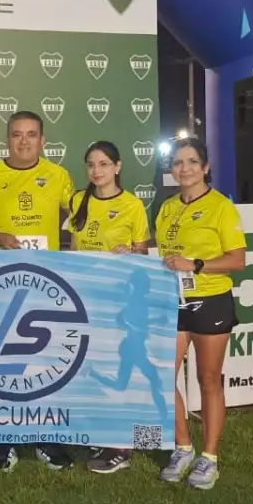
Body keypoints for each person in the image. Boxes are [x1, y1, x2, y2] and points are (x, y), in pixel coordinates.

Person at [0, 110, 75, 470]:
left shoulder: (58, 176)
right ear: (7, 139)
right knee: (4, 366)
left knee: (48, 364)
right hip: (2, 286)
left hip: (47, 285)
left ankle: (47, 441)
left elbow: (82, 219)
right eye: (17, 135)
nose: (25, 141)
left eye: (32, 135)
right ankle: (4, 443)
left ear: (43, 141)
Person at [155, 136, 246, 491]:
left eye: (192, 162)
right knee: (164, 377)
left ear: (205, 167)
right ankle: (182, 447)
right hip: (172, 301)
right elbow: (163, 254)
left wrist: (196, 265)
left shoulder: (221, 207)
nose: (184, 168)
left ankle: (209, 457)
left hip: (211, 301)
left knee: (209, 380)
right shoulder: (166, 207)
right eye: (178, 162)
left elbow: (238, 260)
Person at [66, 140, 154, 475]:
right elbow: (74, 247)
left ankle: (122, 445)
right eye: (91, 164)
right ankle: (100, 434)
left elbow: (142, 257)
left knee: (122, 369)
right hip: (86, 299)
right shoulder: (78, 200)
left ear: (117, 167)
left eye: (104, 164)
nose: (96, 170)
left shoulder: (132, 205)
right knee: (91, 367)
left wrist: (130, 255)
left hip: (119, 302)